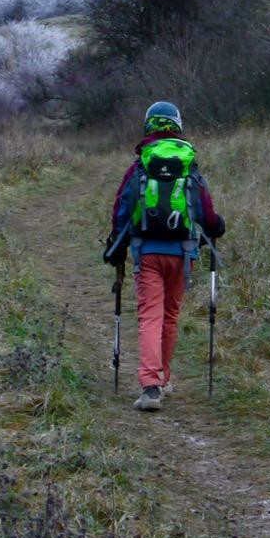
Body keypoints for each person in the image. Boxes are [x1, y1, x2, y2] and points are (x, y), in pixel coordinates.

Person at [103, 100, 225, 411]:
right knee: (170, 317)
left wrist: (116, 244)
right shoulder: (188, 164)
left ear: (148, 125)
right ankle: (164, 377)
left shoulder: (141, 165)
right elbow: (206, 214)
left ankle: (150, 387)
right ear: (178, 125)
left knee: (149, 317)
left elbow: (123, 208)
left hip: (147, 253)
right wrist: (216, 227)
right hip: (183, 254)